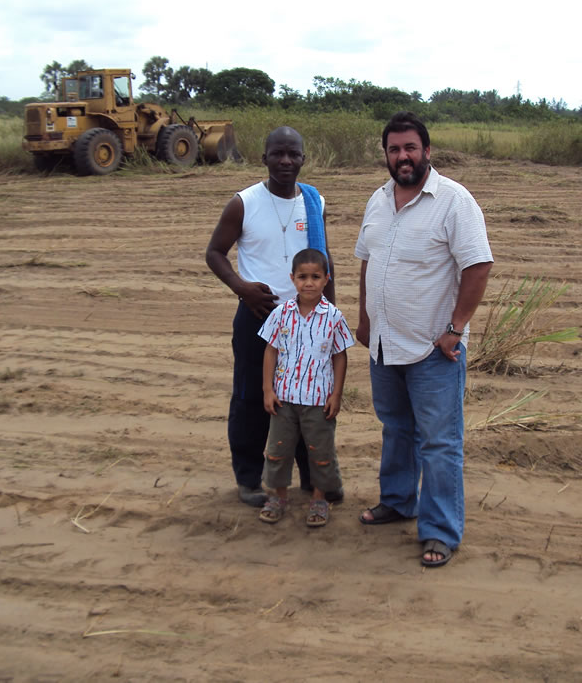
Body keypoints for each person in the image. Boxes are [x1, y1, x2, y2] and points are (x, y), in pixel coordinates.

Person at [354, 112, 493, 567]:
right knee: (396, 429)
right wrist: (364, 318)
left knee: (439, 442)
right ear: (386, 155)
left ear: (427, 150)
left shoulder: (454, 201)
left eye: (410, 148)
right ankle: (397, 502)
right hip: (384, 343)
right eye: (394, 149)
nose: (403, 156)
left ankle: (439, 532)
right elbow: (366, 262)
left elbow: (477, 265)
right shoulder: (377, 200)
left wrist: (456, 328)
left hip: (434, 347)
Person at [206, 126, 342, 507]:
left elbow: (325, 261)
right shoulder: (243, 203)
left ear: (303, 158)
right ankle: (249, 479)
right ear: (264, 157)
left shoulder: (315, 202)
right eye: (277, 153)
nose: (285, 161)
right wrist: (241, 287)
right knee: (252, 399)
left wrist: (331, 317)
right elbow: (214, 253)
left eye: (293, 154)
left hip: (308, 320)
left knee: (309, 400)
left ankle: (315, 479)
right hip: (258, 318)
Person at [257, 248, 355, 526]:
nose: (308, 283)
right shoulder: (281, 313)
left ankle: (319, 499)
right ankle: (277, 497)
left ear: (327, 279)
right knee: (278, 449)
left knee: (321, 451)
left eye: (315, 277)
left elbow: (340, 356)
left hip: (318, 401)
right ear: (292, 279)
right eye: (302, 277)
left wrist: (336, 394)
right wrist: (267, 389)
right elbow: (270, 350)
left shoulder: (333, 317)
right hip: (283, 399)